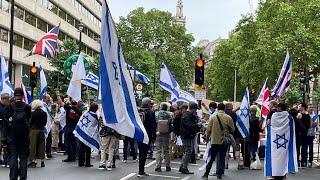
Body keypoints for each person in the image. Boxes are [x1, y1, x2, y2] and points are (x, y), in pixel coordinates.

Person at [202, 103, 235, 180]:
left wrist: (207, 138)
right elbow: (233, 129)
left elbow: (208, 130)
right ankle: (219, 174)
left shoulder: (213, 117)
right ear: (224, 109)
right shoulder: (228, 118)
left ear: (218, 108)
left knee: (211, 158)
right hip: (224, 141)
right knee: (222, 158)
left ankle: (206, 174)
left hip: (214, 141)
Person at [5, 88, 32, 180]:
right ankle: (23, 177)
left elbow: (6, 123)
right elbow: (29, 121)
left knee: (13, 157)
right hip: (24, 137)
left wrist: (5, 137)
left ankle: (13, 177)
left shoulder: (9, 107)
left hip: (12, 137)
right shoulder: (27, 107)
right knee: (23, 158)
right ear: (22, 96)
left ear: (15, 95)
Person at [56, 91, 81, 162]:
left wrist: (58, 95)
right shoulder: (79, 110)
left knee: (68, 143)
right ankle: (75, 156)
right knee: (74, 143)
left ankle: (70, 157)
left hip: (68, 127)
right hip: (75, 128)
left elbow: (61, 103)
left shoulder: (69, 107)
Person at [179, 102, 201, 174]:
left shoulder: (187, 115)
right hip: (187, 135)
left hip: (187, 135)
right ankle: (184, 167)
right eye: (195, 109)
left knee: (187, 151)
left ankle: (182, 166)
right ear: (193, 109)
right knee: (188, 151)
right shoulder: (187, 116)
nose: (196, 111)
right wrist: (197, 125)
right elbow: (189, 126)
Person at [137, 97, 156, 177]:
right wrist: (153, 136)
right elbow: (153, 125)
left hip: (139, 134)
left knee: (141, 151)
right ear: (148, 104)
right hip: (147, 135)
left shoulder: (138, 111)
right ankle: (141, 171)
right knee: (144, 153)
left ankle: (140, 170)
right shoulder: (150, 112)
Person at [76, 103, 99, 167]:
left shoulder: (85, 113)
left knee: (81, 149)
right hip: (87, 134)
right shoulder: (94, 116)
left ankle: (80, 163)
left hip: (81, 131)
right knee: (87, 149)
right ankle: (87, 163)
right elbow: (95, 125)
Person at [154, 102, 173, 172]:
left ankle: (158, 166)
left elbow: (155, 122)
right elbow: (171, 122)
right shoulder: (169, 114)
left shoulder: (156, 114)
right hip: (166, 134)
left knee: (158, 150)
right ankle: (168, 166)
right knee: (166, 150)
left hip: (158, 133)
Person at [28, 100, 47, 168]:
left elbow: (31, 122)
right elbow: (45, 123)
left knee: (33, 145)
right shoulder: (44, 113)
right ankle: (42, 161)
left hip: (34, 130)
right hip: (42, 130)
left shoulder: (33, 113)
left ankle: (33, 161)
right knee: (41, 146)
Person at [224, 102, 243, 169]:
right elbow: (237, 123)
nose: (232, 107)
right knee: (236, 149)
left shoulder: (223, 114)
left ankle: (225, 164)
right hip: (235, 134)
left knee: (226, 150)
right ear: (230, 107)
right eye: (232, 106)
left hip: (225, 134)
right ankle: (239, 164)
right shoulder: (234, 114)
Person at [298, 103, 311, 168]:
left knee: (301, 148)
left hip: (301, 133)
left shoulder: (304, 115)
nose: (298, 107)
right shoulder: (306, 115)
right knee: (302, 148)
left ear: (303, 107)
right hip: (303, 133)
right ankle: (302, 162)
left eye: (299, 106)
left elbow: (308, 125)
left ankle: (301, 162)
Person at [0, 93, 10, 166]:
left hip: (5, 128)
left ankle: (4, 160)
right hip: (1, 127)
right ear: (4, 99)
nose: (8, 101)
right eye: (7, 99)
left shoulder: (7, 106)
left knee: (5, 144)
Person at [43, 94, 54, 159]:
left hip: (49, 125)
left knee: (49, 139)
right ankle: (47, 153)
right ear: (44, 99)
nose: (49, 99)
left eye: (49, 98)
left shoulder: (47, 106)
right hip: (45, 125)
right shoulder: (43, 105)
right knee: (46, 140)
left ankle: (48, 152)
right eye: (48, 98)